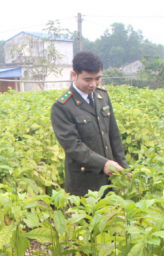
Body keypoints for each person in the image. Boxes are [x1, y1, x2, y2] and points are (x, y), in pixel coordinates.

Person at [50, 51, 128, 196]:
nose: (93, 84)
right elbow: (73, 146)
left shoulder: (102, 96)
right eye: (87, 79)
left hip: (110, 178)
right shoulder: (62, 106)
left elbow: (114, 137)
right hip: (83, 182)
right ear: (74, 75)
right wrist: (103, 164)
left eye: (97, 78)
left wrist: (124, 169)